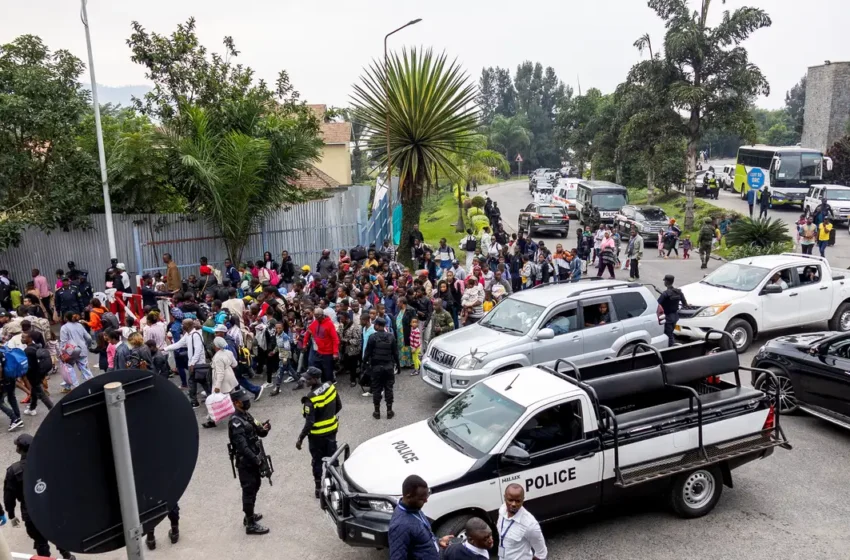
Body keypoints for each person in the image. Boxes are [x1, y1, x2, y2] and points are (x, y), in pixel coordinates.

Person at [2, 433, 76, 559]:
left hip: (30, 511)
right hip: (51, 507)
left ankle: (46, 557)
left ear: (19, 449)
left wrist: (11, 515)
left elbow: (9, 496)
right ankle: (67, 555)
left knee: (40, 543)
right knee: (57, 532)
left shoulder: (13, 471)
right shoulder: (47, 463)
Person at [228, 388, 271, 535]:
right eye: (243, 400)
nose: (246, 401)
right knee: (249, 489)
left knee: (256, 485)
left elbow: (259, 431)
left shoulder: (246, 415)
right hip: (246, 462)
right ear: (236, 403)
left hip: (253, 459)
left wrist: (265, 429)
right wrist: (256, 460)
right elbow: (242, 447)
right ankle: (250, 524)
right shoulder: (236, 422)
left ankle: (249, 515)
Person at [295, 366, 342, 498]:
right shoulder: (330, 386)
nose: (305, 381)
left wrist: (300, 438)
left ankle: (318, 488)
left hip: (316, 436)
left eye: (308, 379)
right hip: (332, 431)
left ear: (315, 379)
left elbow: (309, 422)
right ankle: (335, 485)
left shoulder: (310, 398)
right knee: (333, 459)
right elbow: (339, 406)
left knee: (317, 461)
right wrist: (328, 418)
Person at [388, 475, 453, 560]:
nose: (426, 501)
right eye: (422, 499)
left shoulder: (414, 508)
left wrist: (438, 541)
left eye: (427, 496)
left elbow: (421, 539)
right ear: (409, 497)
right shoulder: (400, 526)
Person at [496, 483, 548, 560]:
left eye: (518, 501)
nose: (513, 504)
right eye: (510, 500)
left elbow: (541, 553)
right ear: (505, 498)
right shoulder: (502, 510)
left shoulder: (530, 524)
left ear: (523, 500)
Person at [165, 319, 208, 408]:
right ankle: (196, 401)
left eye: (183, 324)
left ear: (188, 325)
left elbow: (198, 350)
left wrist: (192, 363)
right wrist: (166, 349)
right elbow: (179, 344)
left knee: (198, 382)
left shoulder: (195, 335)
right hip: (193, 364)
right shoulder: (187, 335)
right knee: (195, 382)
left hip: (197, 364)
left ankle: (197, 401)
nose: (182, 326)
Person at [364, 317, 400, 419]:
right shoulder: (391, 337)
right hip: (388, 367)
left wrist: (364, 365)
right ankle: (389, 411)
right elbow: (395, 353)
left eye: (375, 324)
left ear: (378, 325)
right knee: (389, 389)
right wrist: (398, 366)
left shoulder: (372, 337)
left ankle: (377, 412)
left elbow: (367, 353)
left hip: (376, 368)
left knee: (376, 389)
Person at [304, 307, 339, 383]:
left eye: (317, 317)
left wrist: (335, 353)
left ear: (322, 315)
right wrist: (304, 344)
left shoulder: (329, 324)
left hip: (328, 353)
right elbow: (308, 332)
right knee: (321, 371)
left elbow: (335, 339)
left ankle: (330, 387)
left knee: (328, 373)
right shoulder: (316, 322)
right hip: (319, 352)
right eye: (315, 316)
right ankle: (324, 387)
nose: (316, 318)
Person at [22, 331, 52, 416]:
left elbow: (29, 365)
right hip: (40, 373)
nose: (22, 339)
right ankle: (32, 408)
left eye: (24, 337)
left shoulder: (28, 350)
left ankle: (53, 410)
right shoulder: (37, 346)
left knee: (41, 394)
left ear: (30, 338)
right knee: (34, 391)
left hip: (33, 375)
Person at [658, 274, 687, 346]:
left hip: (667, 317)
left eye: (665, 281)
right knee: (670, 333)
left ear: (667, 282)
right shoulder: (678, 292)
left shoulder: (665, 294)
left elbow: (657, 304)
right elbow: (685, 303)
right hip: (675, 317)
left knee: (668, 335)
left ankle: (671, 348)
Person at [339, 311, 363, 388]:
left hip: (353, 350)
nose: (340, 320)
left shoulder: (355, 327)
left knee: (353, 366)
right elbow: (340, 334)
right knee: (347, 365)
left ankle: (353, 380)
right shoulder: (341, 325)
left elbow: (357, 340)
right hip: (345, 349)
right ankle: (356, 375)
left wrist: (346, 341)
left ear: (347, 319)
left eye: (342, 319)